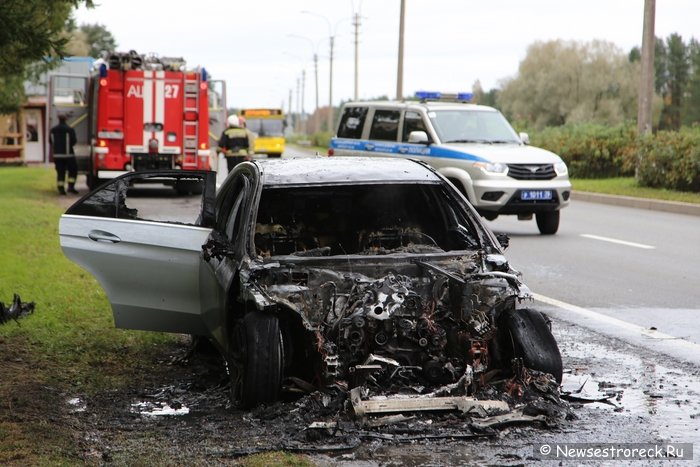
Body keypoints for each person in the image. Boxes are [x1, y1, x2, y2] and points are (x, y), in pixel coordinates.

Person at [49, 115, 78, 195]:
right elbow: (74, 141)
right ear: (66, 119)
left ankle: (61, 189)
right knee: (73, 171)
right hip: (69, 155)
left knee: (60, 172)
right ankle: (71, 187)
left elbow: (50, 141)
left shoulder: (53, 130)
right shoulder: (69, 129)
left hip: (57, 155)